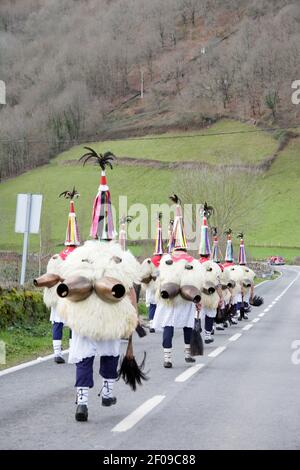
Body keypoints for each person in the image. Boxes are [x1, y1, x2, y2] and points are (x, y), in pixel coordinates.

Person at [56, 148, 145, 422]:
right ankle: (106, 392)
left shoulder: (78, 255)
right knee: (108, 354)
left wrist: (68, 313)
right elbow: (129, 290)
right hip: (109, 319)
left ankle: (82, 401)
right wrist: (134, 315)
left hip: (84, 319)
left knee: (83, 357)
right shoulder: (121, 257)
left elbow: (65, 289)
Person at [34, 187, 81, 363]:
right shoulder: (81, 256)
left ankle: (57, 353)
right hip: (73, 296)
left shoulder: (56, 257)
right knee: (73, 324)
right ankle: (72, 351)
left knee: (57, 323)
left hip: (57, 295)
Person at [152, 194, 198, 368]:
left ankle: (167, 359)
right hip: (186, 300)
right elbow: (197, 283)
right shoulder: (191, 261)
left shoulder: (166, 259)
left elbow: (159, 279)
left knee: (168, 326)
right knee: (187, 325)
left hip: (169, 299)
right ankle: (187, 354)